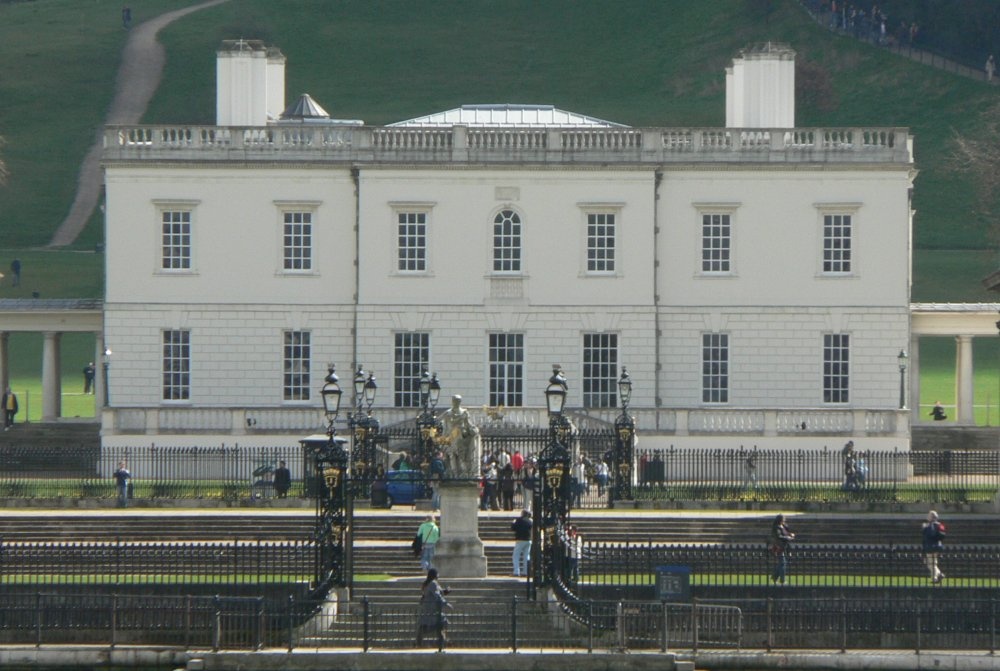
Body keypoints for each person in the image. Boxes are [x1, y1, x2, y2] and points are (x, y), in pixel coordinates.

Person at [439, 394, 481, 479]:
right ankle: (454, 475)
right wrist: (442, 441)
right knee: (452, 456)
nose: (456, 402)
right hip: (451, 438)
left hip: (460, 437)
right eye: (454, 401)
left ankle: (464, 474)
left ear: (460, 402)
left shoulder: (464, 413)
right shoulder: (447, 414)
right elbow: (445, 429)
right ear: (452, 401)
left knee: (461, 457)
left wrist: (474, 430)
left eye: (457, 401)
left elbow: (469, 425)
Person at [416, 568, 451, 647]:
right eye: (437, 574)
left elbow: (438, 592)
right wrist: (446, 603)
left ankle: (442, 641)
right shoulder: (433, 583)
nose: (438, 576)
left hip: (428, 609)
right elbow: (437, 595)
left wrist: (445, 591)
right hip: (433, 608)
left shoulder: (428, 583)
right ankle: (441, 642)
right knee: (440, 623)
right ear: (434, 575)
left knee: (433, 624)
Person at [921, 510, 946, 583]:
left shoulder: (927, 525)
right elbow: (942, 535)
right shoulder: (940, 525)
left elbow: (925, 536)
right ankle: (937, 576)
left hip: (929, 546)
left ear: (931, 517)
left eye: (928, 515)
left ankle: (936, 576)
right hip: (937, 546)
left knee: (931, 564)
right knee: (933, 563)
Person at [769, 514, 795, 584]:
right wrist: (788, 538)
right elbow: (779, 536)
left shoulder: (783, 526)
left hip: (784, 547)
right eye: (783, 519)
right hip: (778, 547)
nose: (784, 521)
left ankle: (774, 577)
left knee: (782, 563)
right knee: (782, 563)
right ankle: (782, 580)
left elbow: (785, 533)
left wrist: (790, 534)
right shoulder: (776, 527)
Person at [511, 509, 532, 577]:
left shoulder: (519, 520)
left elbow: (513, 528)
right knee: (526, 556)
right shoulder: (530, 521)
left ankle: (516, 572)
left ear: (522, 514)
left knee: (516, 556)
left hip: (520, 540)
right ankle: (525, 572)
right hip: (528, 540)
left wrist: (513, 523)